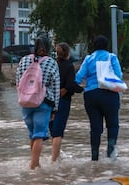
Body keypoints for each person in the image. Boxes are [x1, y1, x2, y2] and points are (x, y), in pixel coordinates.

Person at [75, 35, 123, 161]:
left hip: (91, 95)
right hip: (109, 94)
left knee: (95, 128)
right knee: (112, 125)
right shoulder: (112, 57)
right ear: (107, 46)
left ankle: (94, 157)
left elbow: (78, 78)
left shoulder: (88, 59)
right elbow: (119, 76)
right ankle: (111, 154)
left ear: (94, 45)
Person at [16, 35, 60, 169]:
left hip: (26, 103)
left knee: (33, 135)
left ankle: (36, 163)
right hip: (43, 102)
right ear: (48, 47)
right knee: (39, 135)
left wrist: (23, 97)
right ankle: (34, 165)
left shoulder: (24, 60)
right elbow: (56, 87)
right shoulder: (51, 62)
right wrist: (55, 109)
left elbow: (18, 82)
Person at [49, 42, 83, 162]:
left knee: (53, 130)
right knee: (58, 132)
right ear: (68, 53)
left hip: (48, 101)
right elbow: (70, 85)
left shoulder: (52, 64)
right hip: (63, 102)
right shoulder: (69, 66)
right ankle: (54, 160)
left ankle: (55, 155)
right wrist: (82, 89)